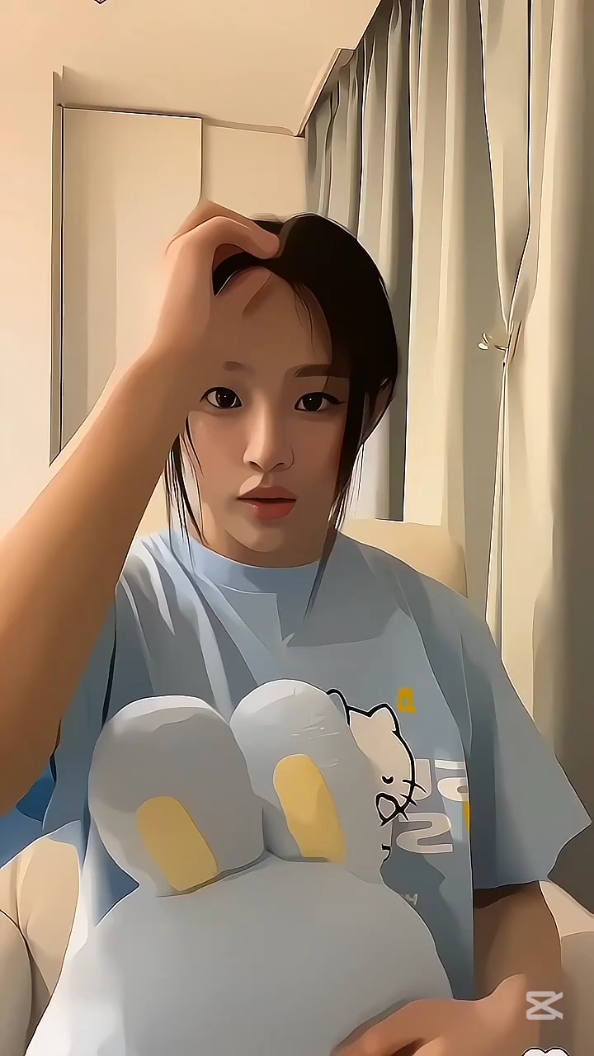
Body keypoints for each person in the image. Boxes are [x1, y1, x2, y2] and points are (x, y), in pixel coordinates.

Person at [0, 200, 588, 1055]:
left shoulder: (439, 626)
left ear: (367, 411)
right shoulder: (116, 613)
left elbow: (511, 901)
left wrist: (518, 1021)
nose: (266, 447)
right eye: (220, 394)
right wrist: (152, 370)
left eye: (314, 400)